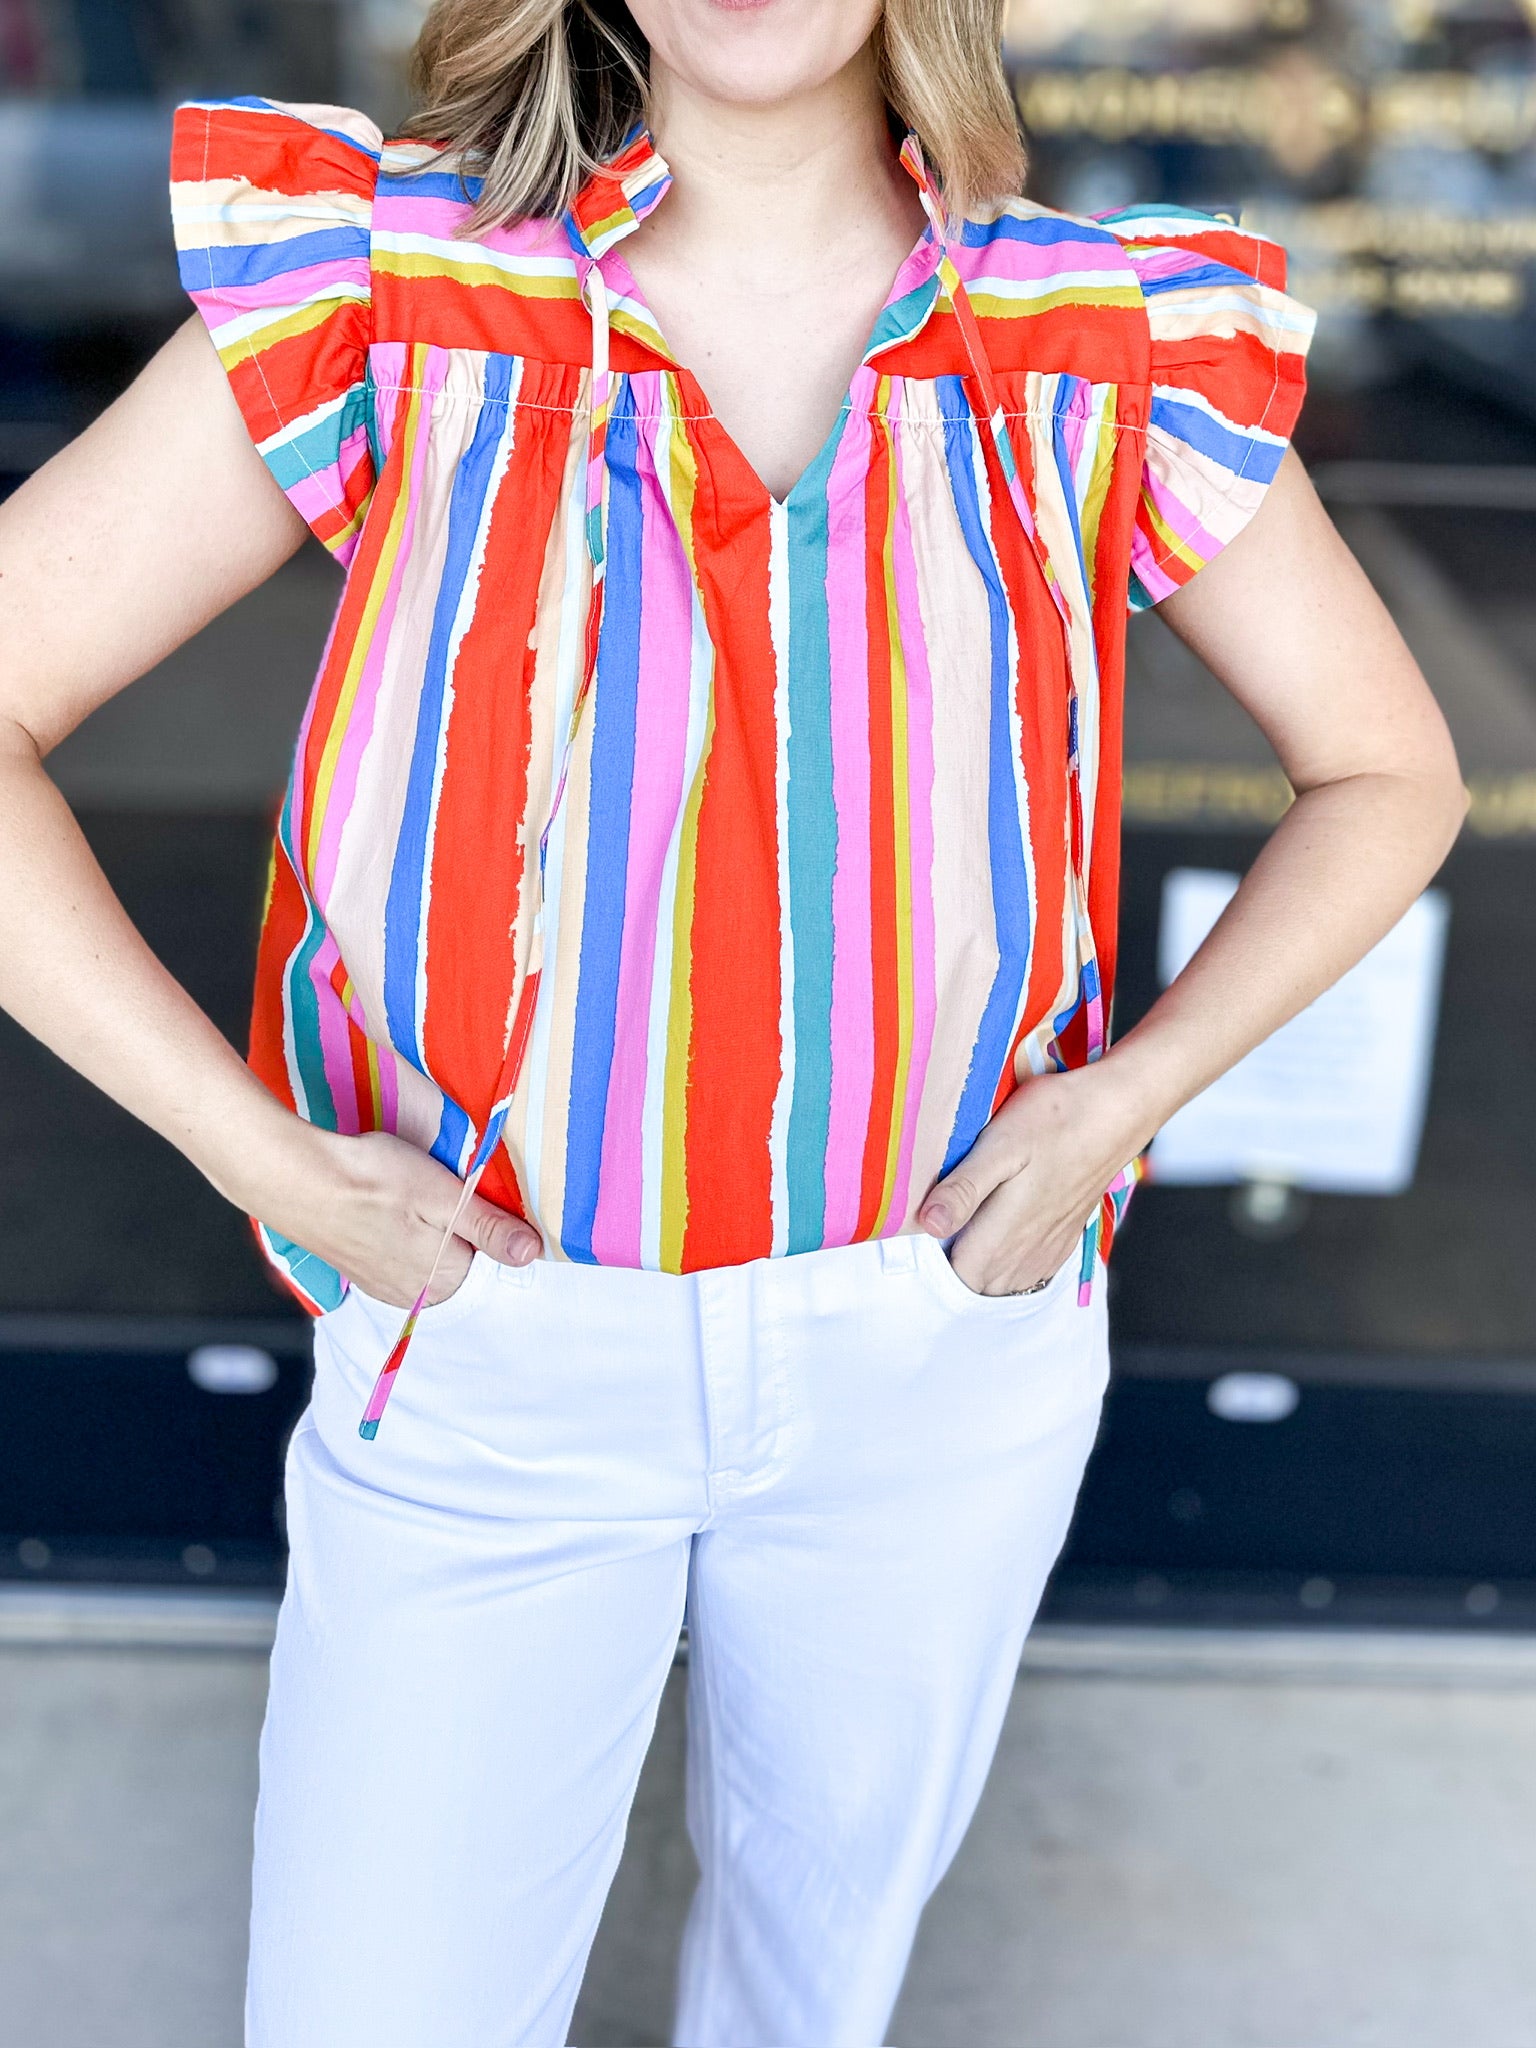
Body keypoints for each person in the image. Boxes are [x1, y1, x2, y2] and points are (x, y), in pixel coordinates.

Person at [0, 0, 1465, 2041]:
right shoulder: (397, 295)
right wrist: (261, 1155)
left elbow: (1395, 775)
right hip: (493, 1340)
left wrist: (1109, 1110)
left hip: (932, 1342)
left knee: (806, 2003)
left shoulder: (1092, 336)